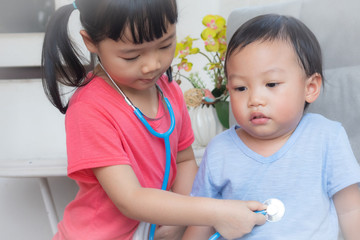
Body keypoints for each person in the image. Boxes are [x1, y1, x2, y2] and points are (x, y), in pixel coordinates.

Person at [41, 1, 267, 239]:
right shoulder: (90, 107)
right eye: (131, 56)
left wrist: (181, 221)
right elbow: (131, 199)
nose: (153, 65)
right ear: (91, 42)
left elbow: (184, 160)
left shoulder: (169, 91)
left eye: (165, 45)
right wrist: (215, 212)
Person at [183, 14, 360, 240]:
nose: (255, 99)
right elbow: (201, 220)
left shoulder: (327, 137)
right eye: (240, 88)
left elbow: (351, 209)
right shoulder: (219, 150)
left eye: (271, 84)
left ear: (310, 87)